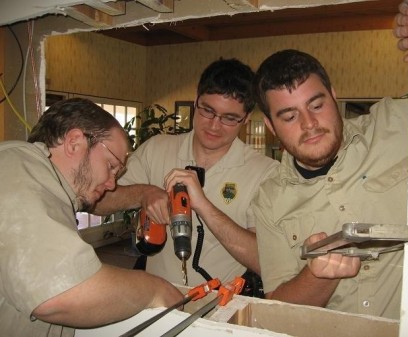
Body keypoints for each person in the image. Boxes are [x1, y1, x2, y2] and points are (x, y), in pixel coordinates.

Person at [251, 2, 408, 319]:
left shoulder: (395, 124)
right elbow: (281, 307)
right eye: (289, 115)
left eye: (316, 104)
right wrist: (317, 276)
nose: (309, 123)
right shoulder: (269, 200)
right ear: (271, 127)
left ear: (333, 94)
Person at [0, 98, 183, 337]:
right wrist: (155, 289)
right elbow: (62, 295)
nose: (111, 183)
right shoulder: (18, 170)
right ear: (75, 142)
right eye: (110, 165)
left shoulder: (38, 180)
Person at [94, 58, 279, 288]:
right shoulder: (156, 149)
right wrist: (145, 194)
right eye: (207, 111)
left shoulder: (265, 172)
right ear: (195, 101)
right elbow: (97, 201)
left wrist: (204, 206)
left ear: (247, 118)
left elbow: (267, 263)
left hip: (220, 308)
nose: (214, 125)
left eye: (229, 119)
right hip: (157, 299)